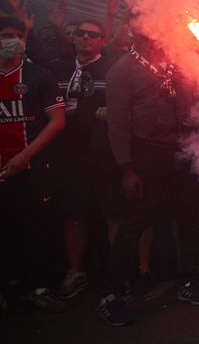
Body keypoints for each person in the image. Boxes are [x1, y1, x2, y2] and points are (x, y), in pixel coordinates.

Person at [98, 32, 199, 326]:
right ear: (140, 33)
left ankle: (189, 280)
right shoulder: (122, 70)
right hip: (146, 155)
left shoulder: (177, 63)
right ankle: (110, 294)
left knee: (190, 218)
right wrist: (127, 168)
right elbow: (118, 124)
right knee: (135, 223)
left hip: (183, 151)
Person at [48, 20, 121, 299]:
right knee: (73, 213)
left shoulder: (113, 69)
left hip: (104, 154)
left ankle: (117, 274)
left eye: (93, 34)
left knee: (113, 212)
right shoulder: (57, 69)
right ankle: (75, 272)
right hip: (68, 155)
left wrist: (110, 110)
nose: (86, 38)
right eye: (81, 33)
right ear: (74, 39)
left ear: (103, 40)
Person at [0, 16, 67, 314]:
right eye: (5, 35)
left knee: (36, 228)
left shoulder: (39, 75)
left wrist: (24, 156)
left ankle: (40, 288)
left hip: (33, 168)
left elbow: (57, 121)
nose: (12, 40)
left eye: (17, 35)